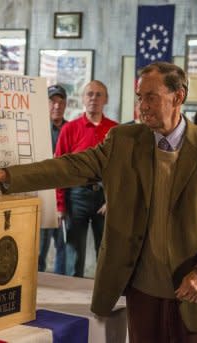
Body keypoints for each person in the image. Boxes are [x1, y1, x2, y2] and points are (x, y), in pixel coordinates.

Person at [0, 62, 197, 343]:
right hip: (143, 295)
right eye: (140, 97)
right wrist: (6, 175)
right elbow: (70, 167)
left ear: (178, 97)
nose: (143, 106)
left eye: (151, 97)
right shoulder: (124, 140)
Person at [54, 80, 118, 277]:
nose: (94, 98)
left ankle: (102, 300)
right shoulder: (70, 129)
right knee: (75, 256)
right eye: (90, 94)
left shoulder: (116, 130)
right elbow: (59, 170)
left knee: (106, 255)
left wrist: (113, 200)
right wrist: (60, 206)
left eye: (99, 94)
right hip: (77, 197)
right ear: (82, 98)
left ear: (106, 99)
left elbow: (122, 170)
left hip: (105, 199)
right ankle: (72, 302)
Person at [37, 84, 68, 274]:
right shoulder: (38, 129)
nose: (56, 106)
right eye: (52, 101)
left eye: (60, 102)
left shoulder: (71, 128)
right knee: (40, 246)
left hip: (65, 196)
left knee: (63, 246)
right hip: (42, 194)